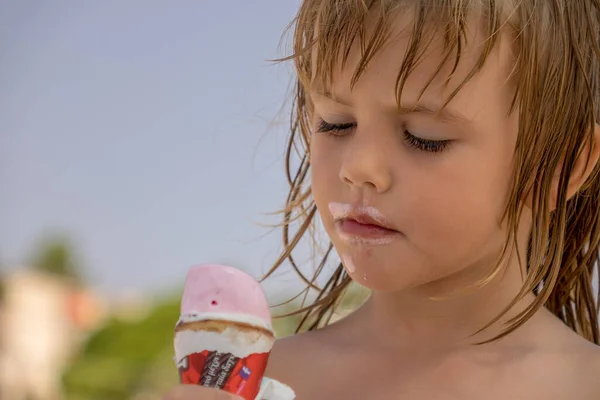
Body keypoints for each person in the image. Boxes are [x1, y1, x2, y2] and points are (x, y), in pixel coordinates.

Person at [164, 0, 600, 398]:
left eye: (424, 138)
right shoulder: (261, 382)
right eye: (335, 123)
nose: (358, 167)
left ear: (559, 167)